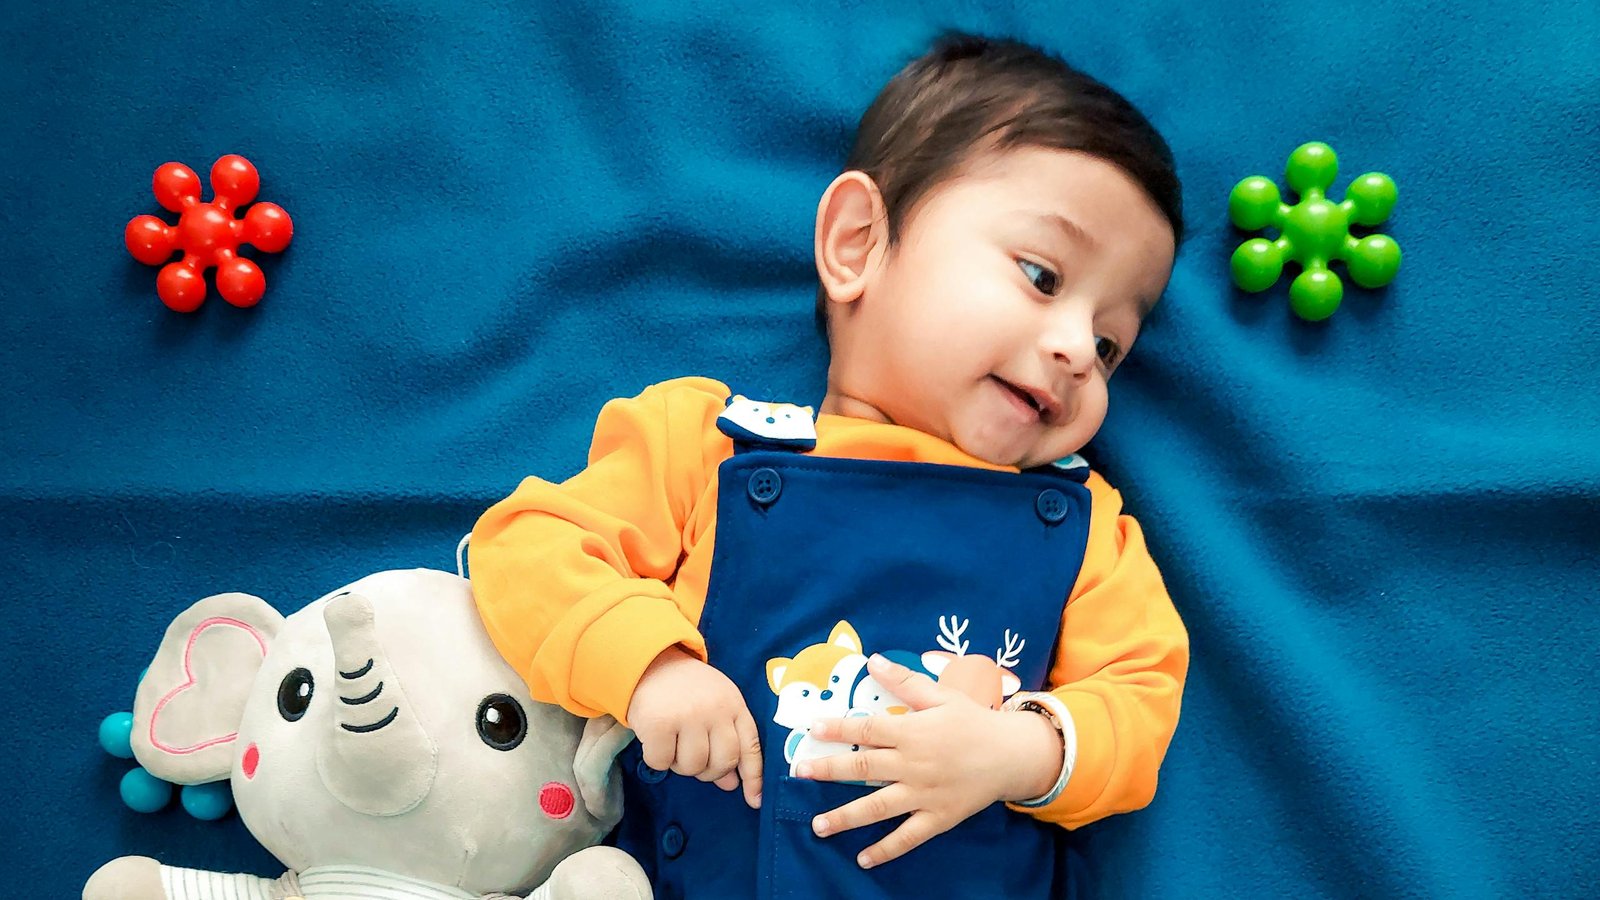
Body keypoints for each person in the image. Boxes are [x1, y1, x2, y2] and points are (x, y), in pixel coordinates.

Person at [470, 31, 1189, 899]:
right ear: (856, 244)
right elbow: (527, 547)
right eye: (1041, 275)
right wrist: (651, 668)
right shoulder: (711, 442)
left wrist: (1020, 748)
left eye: (1112, 342)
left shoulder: (1086, 527)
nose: (1077, 348)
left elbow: (1141, 694)